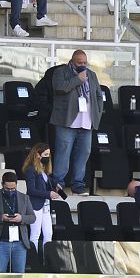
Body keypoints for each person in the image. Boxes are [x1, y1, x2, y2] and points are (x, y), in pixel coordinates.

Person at [50, 50, 103, 196]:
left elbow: (99, 95)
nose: (83, 65)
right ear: (72, 61)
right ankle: (58, 183)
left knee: (84, 153)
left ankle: (78, 184)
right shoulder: (61, 72)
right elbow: (59, 88)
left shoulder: (91, 74)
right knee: (63, 152)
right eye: (80, 63)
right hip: (67, 121)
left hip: (86, 121)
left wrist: (97, 112)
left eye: (85, 63)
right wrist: (78, 79)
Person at [0, 171, 36, 273]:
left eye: (13, 189)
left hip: (20, 243)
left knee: (19, 275)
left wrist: (21, 218)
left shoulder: (24, 198)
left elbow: (32, 217)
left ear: (16, 185)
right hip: (1, 242)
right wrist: (1, 218)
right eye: (7, 189)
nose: (10, 191)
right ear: (2, 184)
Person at [22, 143, 59, 252]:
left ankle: (46, 258)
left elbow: (49, 182)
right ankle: (34, 258)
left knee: (48, 234)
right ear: (38, 155)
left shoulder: (43, 170)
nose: (48, 157)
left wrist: (57, 186)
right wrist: (48, 194)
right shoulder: (31, 170)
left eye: (49, 154)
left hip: (45, 207)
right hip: (35, 206)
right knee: (35, 234)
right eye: (45, 154)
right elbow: (31, 190)